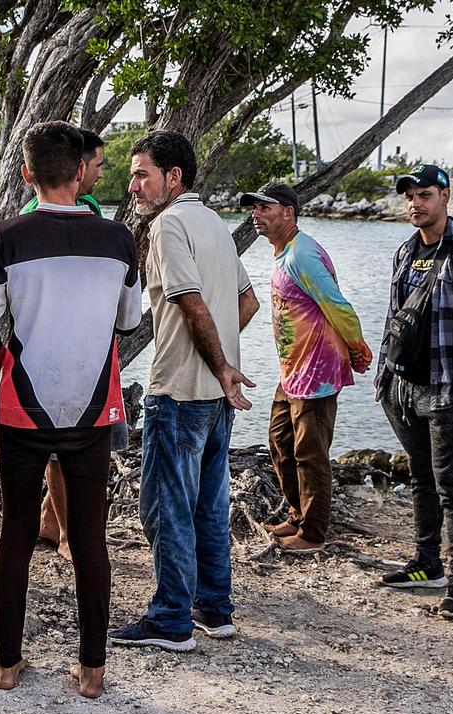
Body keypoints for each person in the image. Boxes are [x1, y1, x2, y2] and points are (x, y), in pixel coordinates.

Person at [0, 121, 141, 698]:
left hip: (23, 407)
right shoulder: (120, 240)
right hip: (92, 407)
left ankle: (6, 666)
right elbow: (129, 322)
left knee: (16, 531)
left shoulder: (7, 237)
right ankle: (92, 672)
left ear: (26, 174)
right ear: (83, 171)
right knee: (89, 537)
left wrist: (6, 363)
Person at [109, 130, 259, 652]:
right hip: (216, 395)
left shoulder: (169, 223)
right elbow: (247, 301)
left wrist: (215, 363)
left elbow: (191, 300)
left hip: (180, 388)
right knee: (208, 504)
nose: (133, 185)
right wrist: (225, 364)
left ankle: (172, 618)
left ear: (174, 177)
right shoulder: (214, 222)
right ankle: (214, 608)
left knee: (164, 504)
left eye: (142, 173)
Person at [374, 164, 453, 619]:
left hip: (446, 388)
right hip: (403, 387)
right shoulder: (405, 252)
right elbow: (396, 318)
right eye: (409, 196)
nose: (416, 203)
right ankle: (428, 563)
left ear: (446, 197)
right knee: (419, 476)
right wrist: (385, 378)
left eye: (425, 194)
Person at [240, 182, 372, 552]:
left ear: (288, 212)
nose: (256, 214)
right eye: (255, 208)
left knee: (310, 452)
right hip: (292, 371)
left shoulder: (304, 255)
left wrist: (357, 347)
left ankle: (313, 533)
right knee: (280, 442)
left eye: (265, 208)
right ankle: (298, 515)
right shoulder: (285, 253)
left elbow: (337, 306)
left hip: (316, 372)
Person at [19, 128, 118, 562]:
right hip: (54, 361)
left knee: (88, 450)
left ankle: (52, 521)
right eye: (96, 165)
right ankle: (65, 534)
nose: (99, 173)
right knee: (60, 453)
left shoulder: (93, 212)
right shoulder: (30, 219)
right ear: (78, 169)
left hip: (92, 358)